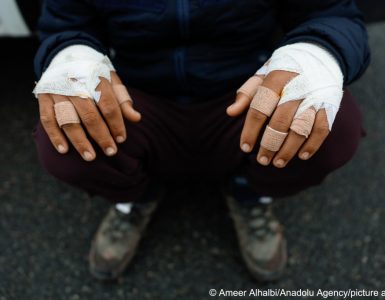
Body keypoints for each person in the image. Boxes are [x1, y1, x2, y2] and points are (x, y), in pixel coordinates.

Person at [32, 0, 370, 281]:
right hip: (138, 100)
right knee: (62, 133)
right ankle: (136, 194)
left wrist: (316, 55)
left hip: (244, 95)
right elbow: (64, 24)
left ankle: (249, 190)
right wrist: (71, 57)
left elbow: (330, 12)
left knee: (330, 122)